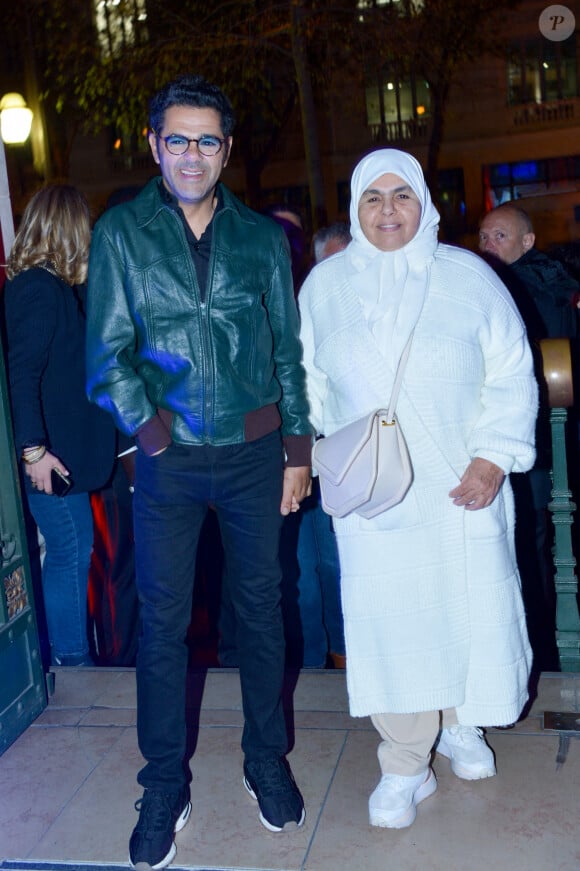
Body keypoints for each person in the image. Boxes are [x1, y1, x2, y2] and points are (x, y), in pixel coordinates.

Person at [85, 74, 312, 870]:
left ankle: (264, 758)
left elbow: (289, 351)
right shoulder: (121, 233)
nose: (191, 154)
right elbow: (106, 354)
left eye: (207, 140)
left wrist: (296, 451)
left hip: (254, 456)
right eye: (176, 139)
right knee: (163, 623)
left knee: (262, 611)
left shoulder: (261, 238)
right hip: (169, 459)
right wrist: (151, 437)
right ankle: (161, 783)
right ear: (153, 145)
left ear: (226, 150)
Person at [298, 149, 538, 831]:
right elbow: (306, 382)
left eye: (401, 194)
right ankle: (405, 758)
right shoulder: (324, 286)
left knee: (464, 608)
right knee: (392, 620)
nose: (387, 210)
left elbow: (512, 369)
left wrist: (494, 457)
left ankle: (460, 723)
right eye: (372, 198)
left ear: (425, 201)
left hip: (461, 484)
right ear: (354, 207)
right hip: (376, 494)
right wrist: (322, 454)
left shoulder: (469, 276)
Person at [3, 184, 116, 668]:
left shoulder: (53, 286)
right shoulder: (37, 288)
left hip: (62, 454)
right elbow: (21, 373)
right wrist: (33, 451)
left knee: (73, 550)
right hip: (50, 458)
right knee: (70, 551)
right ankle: (72, 662)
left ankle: (72, 658)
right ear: (68, 229)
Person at [479, 203, 580, 670]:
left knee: (528, 541)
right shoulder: (521, 284)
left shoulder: (532, 288)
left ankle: (537, 649)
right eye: (483, 237)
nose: (487, 245)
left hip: (533, 442)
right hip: (529, 442)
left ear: (527, 242)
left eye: (499, 236)